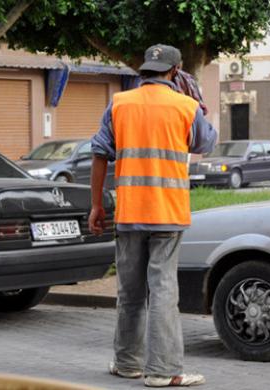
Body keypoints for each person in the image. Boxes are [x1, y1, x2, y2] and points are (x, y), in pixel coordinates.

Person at [89, 44, 217, 387]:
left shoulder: (119, 103)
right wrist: (200, 107)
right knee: (162, 291)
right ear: (174, 72)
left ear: (144, 71)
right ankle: (163, 371)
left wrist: (96, 205)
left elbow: (100, 153)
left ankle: (128, 363)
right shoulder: (186, 106)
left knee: (129, 292)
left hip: (129, 212)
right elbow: (206, 143)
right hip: (168, 213)